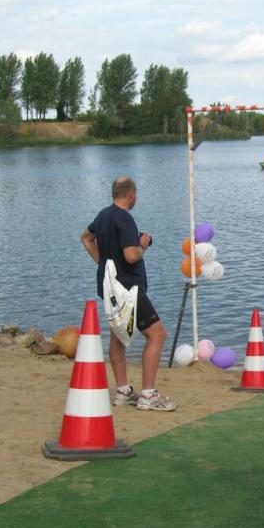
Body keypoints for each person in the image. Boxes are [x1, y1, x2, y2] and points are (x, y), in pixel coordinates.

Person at [81, 176, 177, 412]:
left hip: (109, 286)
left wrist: (103, 264)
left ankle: (123, 391)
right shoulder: (124, 218)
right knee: (157, 334)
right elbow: (131, 256)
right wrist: (142, 243)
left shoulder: (103, 215)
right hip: (128, 288)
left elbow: (86, 237)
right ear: (132, 195)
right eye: (136, 195)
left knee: (118, 335)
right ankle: (148, 395)